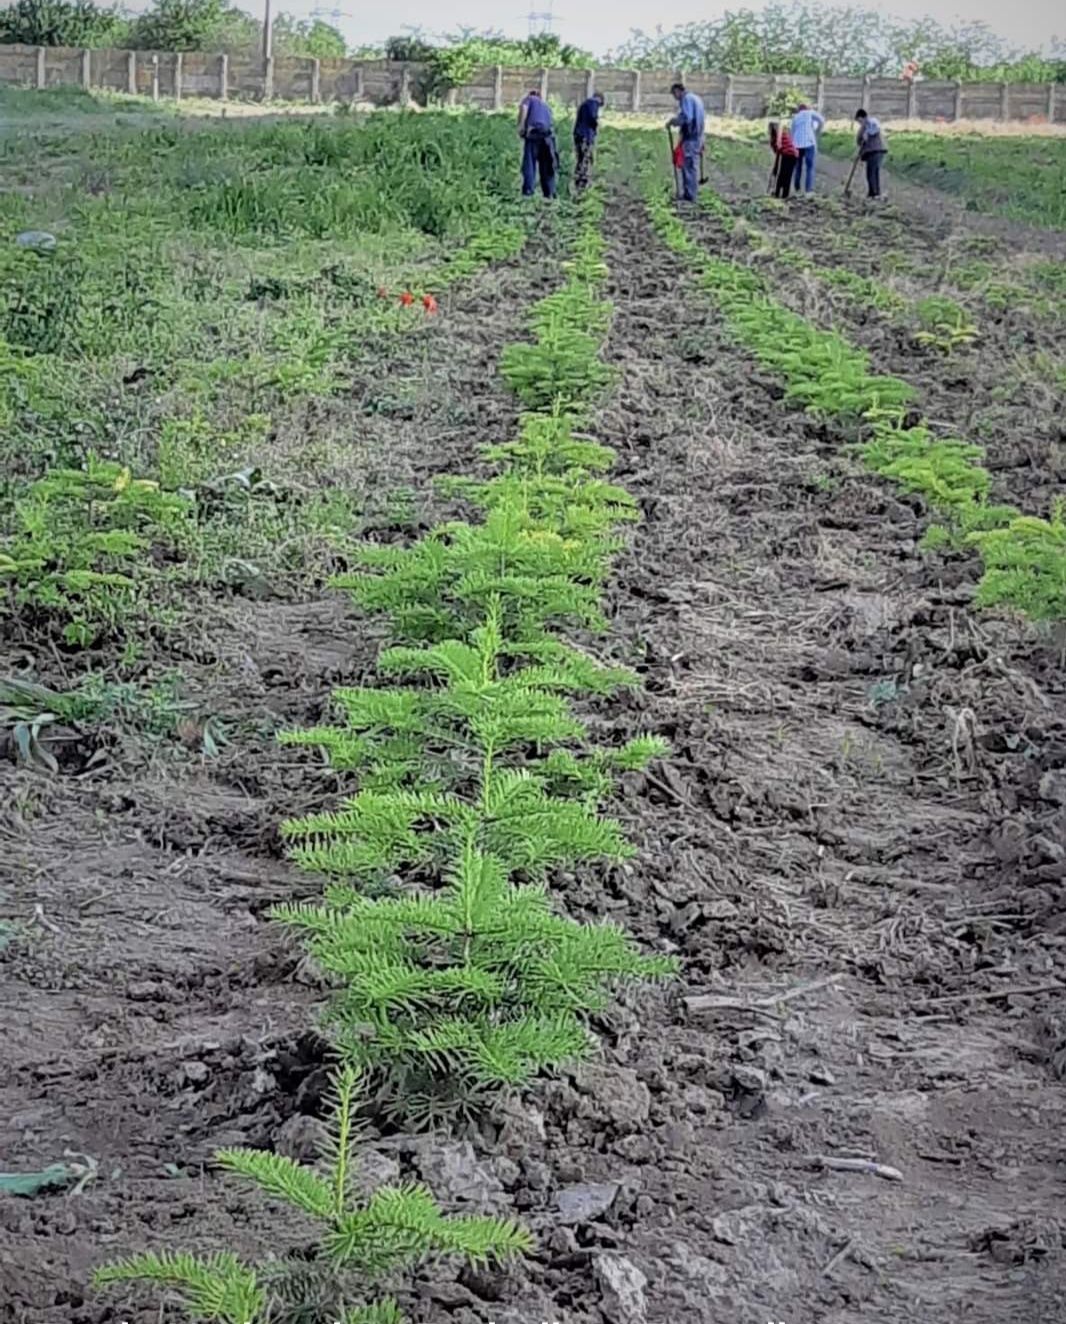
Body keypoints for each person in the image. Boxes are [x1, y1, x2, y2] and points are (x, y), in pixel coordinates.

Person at [666, 82, 706, 202]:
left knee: (688, 165)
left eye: (674, 94)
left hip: (691, 137)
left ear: (678, 91)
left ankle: (689, 195)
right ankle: (691, 193)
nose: (675, 98)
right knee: (692, 165)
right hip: (698, 136)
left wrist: (673, 121)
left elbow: (686, 117)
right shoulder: (696, 98)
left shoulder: (686, 99)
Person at [518, 89, 558, 198]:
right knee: (547, 165)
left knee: (529, 164)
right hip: (548, 137)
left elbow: (524, 108)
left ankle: (528, 192)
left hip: (534, 134)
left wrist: (521, 127)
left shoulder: (529, 99)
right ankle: (549, 193)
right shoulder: (546, 106)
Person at [790, 102, 825, 194]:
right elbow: (821, 120)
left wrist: (792, 144)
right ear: (807, 108)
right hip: (809, 143)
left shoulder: (795, 117)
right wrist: (817, 131)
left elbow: (792, 132)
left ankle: (797, 188)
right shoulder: (810, 113)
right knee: (810, 167)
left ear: (799, 109)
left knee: (797, 167)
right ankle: (808, 190)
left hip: (797, 144)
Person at [573, 90, 605, 190]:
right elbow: (592, 117)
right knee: (585, 158)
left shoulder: (584, 104)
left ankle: (578, 180)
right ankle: (583, 182)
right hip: (586, 135)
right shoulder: (593, 103)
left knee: (580, 158)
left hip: (579, 134)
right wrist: (596, 123)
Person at [854, 108, 888, 200]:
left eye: (859, 120)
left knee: (872, 172)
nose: (859, 123)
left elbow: (875, 128)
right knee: (872, 172)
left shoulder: (871, 121)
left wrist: (867, 133)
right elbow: (859, 140)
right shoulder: (864, 126)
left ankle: (874, 194)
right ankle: (874, 193)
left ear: (862, 117)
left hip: (876, 150)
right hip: (871, 152)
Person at [768, 120, 798, 199]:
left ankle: (777, 193)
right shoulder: (783, 134)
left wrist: (775, 167)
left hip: (787, 155)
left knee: (781, 175)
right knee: (786, 175)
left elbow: (778, 151)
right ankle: (784, 194)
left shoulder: (776, 138)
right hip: (793, 155)